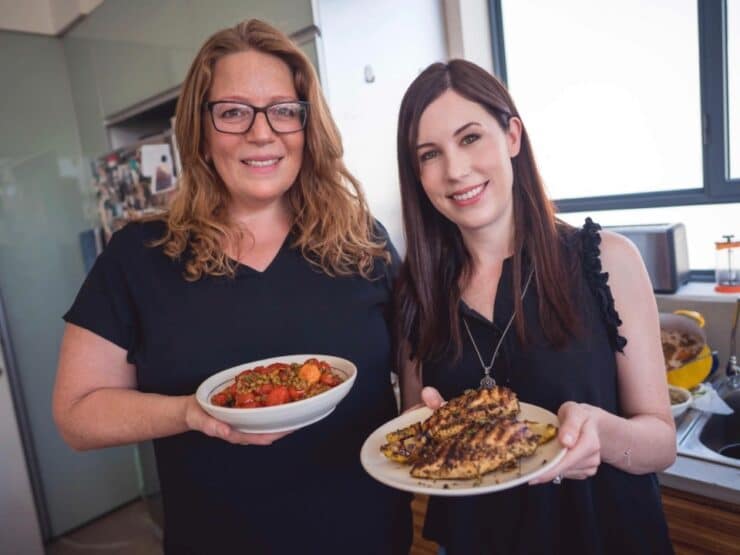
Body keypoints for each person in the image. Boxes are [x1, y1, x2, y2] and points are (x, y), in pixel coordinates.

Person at [53, 19, 411, 554]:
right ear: (201, 129)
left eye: (283, 110)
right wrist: (190, 413)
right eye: (233, 111)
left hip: (368, 535)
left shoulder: (362, 241)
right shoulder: (139, 256)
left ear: (307, 126)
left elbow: (415, 367)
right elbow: (76, 415)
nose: (261, 132)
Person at [393, 59, 676, 555]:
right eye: (430, 154)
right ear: (416, 174)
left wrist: (602, 435)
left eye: (471, 138)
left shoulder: (607, 260)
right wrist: (428, 429)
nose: (455, 170)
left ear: (513, 137)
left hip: (606, 536)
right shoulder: (416, 292)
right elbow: (416, 424)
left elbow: (661, 443)